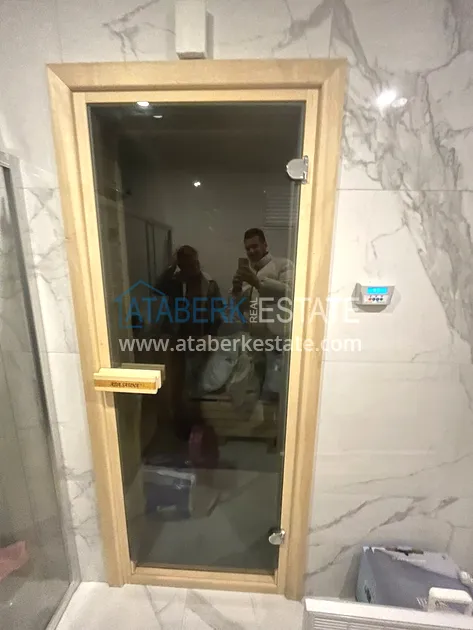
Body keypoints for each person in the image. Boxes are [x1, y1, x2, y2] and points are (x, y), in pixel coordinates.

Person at [231, 228, 294, 337]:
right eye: (248, 248)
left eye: (255, 246)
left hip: (276, 336)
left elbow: (290, 294)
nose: (251, 251)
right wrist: (237, 291)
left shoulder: (284, 265)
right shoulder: (246, 272)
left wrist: (257, 283)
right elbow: (242, 310)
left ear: (265, 245)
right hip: (250, 337)